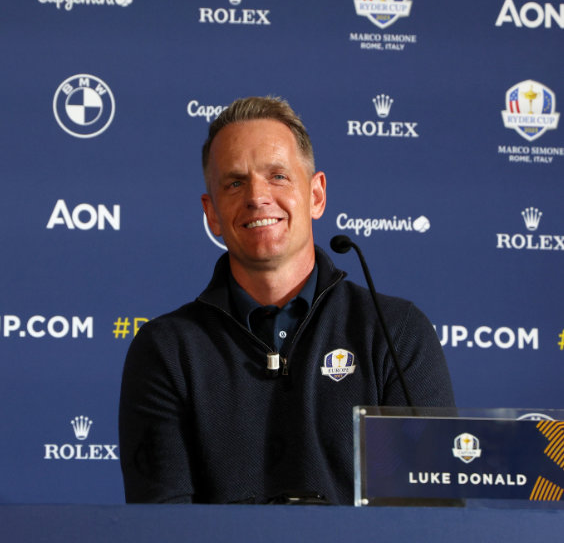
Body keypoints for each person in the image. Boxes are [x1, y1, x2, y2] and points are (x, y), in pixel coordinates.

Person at [118, 96, 454, 505]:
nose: (257, 196)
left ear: (316, 195)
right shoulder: (166, 349)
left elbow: (429, 514)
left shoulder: (395, 331)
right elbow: (163, 526)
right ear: (212, 214)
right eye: (235, 183)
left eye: (277, 176)